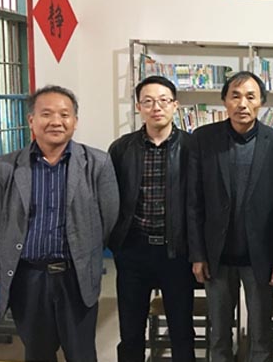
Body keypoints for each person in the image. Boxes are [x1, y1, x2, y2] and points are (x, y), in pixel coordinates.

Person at [0, 85, 119, 362]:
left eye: (64, 114)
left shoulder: (97, 163)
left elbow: (109, 218)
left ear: (75, 121)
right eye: (46, 114)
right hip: (28, 277)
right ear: (31, 120)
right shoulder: (6, 167)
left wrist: (86, 251)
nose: (56, 121)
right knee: (37, 353)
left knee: (81, 353)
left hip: (76, 276)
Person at [189, 71, 273, 362]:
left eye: (250, 96)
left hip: (260, 257)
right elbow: (194, 202)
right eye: (235, 96)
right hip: (216, 256)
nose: (242, 104)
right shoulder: (203, 139)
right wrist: (197, 254)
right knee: (219, 334)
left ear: (261, 102)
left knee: (261, 334)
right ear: (224, 100)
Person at [108, 75, 196, 362]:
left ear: (175, 105)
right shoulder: (121, 148)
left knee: (181, 330)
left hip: (177, 252)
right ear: (138, 107)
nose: (156, 107)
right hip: (134, 250)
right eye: (148, 101)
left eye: (163, 101)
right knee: (131, 331)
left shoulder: (193, 147)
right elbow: (111, 199)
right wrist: (116, 244)